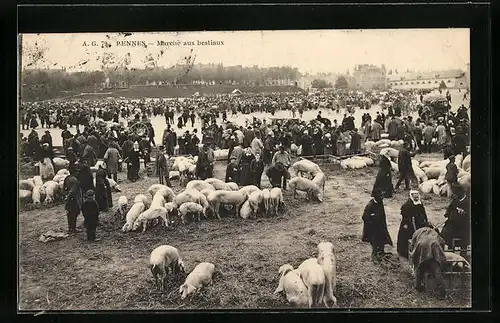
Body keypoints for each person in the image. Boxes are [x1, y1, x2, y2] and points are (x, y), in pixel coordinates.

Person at [362, 189, 393, 263]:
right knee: (375, 242)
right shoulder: (370, 205)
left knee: (382, 239)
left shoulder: (380, 202)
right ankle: (374, 256)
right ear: (375, 196)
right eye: (380, 196)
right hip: (373, 228)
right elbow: (364, 217)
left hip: (381, 226)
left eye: (382, 196)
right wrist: (372, 219)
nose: (382, 197)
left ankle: (381, 252)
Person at [396, 190, 429, 258]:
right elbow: (405, 216)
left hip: (419, 223)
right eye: (415, 197)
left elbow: (423, 213)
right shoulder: (407, 205)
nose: (416, 198)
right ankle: (404, 253)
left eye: (417, 196)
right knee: (407, 237)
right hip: (409, 224)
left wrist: (426, 221)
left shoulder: (420, 203)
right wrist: (406, 224)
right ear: (412, 196)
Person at [440, 184, 470, 249]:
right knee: (445, 232)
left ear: (460, 193)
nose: (454, 195)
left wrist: (465, 213)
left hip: (463, 225)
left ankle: (463, 250)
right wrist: (447, 213)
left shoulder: (468, 202)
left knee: (464, 235)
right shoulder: (455, 200)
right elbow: (449, 208)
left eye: (455, 194)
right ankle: (450, 248)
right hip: (452, 223)